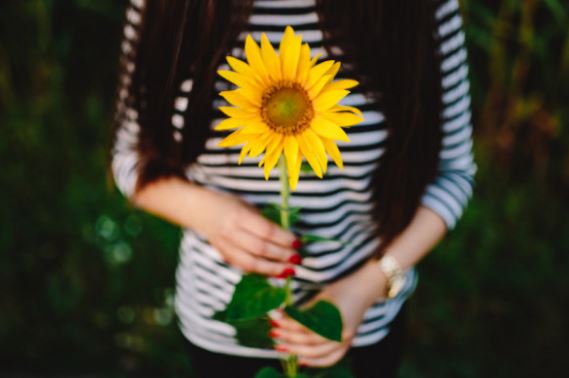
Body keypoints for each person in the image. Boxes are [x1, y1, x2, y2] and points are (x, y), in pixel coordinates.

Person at [109, 0, 476, 377]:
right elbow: (130, 157)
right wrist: (210, 215)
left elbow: (454, 173)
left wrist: (371, 282)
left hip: (359, 324)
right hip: (225, 328)